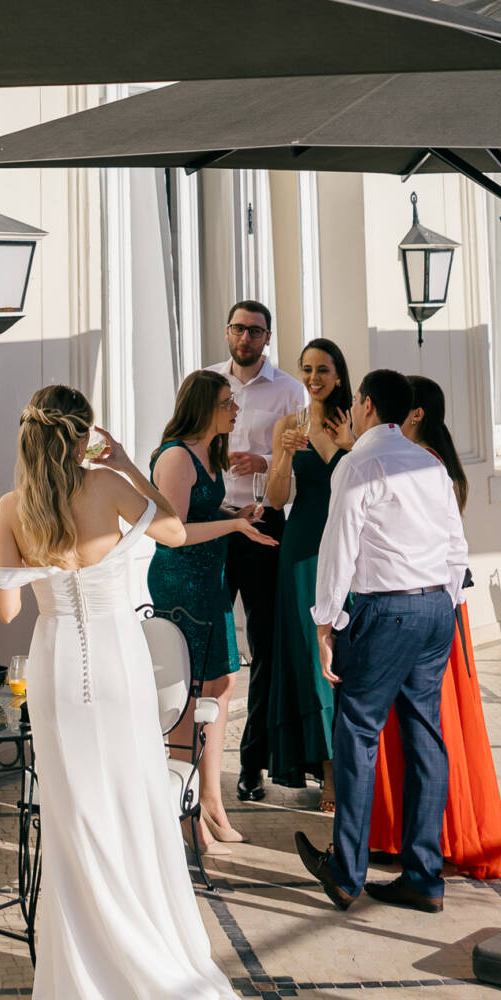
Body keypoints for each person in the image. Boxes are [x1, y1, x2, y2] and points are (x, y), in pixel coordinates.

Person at [0, 383, 296, 1000]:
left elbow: (6, 610)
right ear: (83, 435)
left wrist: (38, 565)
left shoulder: (12, 506)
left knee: (74, 811)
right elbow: (174, 531)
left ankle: (86, 969)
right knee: (128, 798)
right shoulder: (108, 486)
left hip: (57, 662)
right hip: (117, 660)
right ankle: (142, 945)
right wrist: (128, 462)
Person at [295, 368, 467, 918]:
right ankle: (424, 878)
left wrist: (324, 623)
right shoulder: (430, 463)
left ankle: (346, 873)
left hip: (385, 611)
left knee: (357, 732)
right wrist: (443, 602)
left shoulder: (358, 464)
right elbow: (456, 545)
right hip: (436, 608)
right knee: (425, 737)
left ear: (366, 406)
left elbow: (338, 546)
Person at [369, 380, 501, 880]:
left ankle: (413, 833)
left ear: (416, 415)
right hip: (444, 601)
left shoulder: (418, 462)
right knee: (433, 720)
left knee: (423, 720)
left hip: (421, 602)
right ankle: (423, 831)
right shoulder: (436, 461)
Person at [147, 370, 278, 846]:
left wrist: (233, 515)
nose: (235, 410)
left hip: (210, 578)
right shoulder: (176, 457)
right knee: (188, 693)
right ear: (203, 407)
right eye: (227, 403)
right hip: (181, 583)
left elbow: (201, 514)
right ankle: (185, 809)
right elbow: (175, 532)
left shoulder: (209, 451)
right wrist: (234, 528)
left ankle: (211, 800)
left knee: (222, 682)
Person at [209, 299, 307, 803]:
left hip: (266, 522)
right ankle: (193, 762)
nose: (245, 338)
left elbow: (300, 455)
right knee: (208, 642)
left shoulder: (290, 390)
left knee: (265, 647)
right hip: (214, 522)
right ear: (227, 332)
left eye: (255, 331)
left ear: (268, 337)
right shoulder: (206, 382)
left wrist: (264, 460)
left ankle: (252, 766)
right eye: (238, 329)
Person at [264, 340, 353, 804]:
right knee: (309, 656)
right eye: (307, 369)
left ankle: (356, 765)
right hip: (302, 548)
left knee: (346, 655)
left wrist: (350, 446)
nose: (314, 378)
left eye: (323, 370)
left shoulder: (355, 422)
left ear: (338, 375)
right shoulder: (288, 424)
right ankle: (329, 773)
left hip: (350, 546)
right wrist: (282, 456)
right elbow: (277, 499)